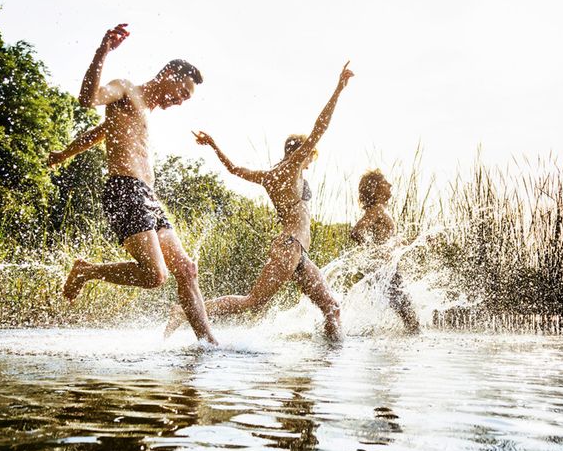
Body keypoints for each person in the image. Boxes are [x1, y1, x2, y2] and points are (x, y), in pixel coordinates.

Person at [46, 23, 216, 344]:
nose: (181, 101)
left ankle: (209, 344)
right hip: (124, 190)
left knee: (187, 269)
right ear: (169, 74)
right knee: (155, 275)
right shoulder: (125, 89)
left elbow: (97, 134)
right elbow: (88, 98)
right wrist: (103, 51)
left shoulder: (145, 113)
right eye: (183, 93)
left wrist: (65, 153)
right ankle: (86, 271)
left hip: (147, 196)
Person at [167, 62, 354, 342]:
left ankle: (330, 361)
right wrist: (338, 89)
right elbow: (320, 127)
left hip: (297, 253)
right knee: (252, 300)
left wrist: (214, 145)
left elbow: (233, 169)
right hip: (290, 248)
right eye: (308, 156)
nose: (309, 161)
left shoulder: (268, 176)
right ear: (301, 154)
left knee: (331, 308)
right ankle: (184, 311)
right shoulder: (292, 168)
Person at [350, 169, 420, 333]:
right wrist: (376, 252)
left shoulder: (380, 210)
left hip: (387, 269)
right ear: (376, 188)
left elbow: (388, 242)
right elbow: (356, 231)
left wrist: (413, 241)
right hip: (384, 269)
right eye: (385, 182)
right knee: (411, 319)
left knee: (407, 315)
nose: (390, 184)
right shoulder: (377, 209)